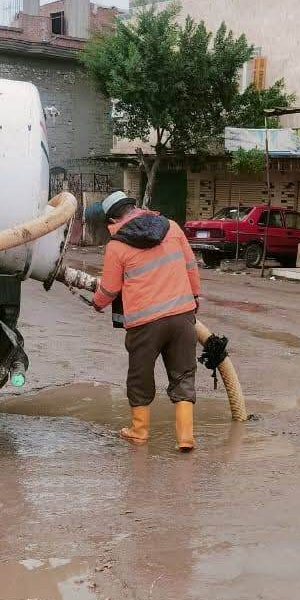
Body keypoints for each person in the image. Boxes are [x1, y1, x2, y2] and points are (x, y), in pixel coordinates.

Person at [91, 190, 201, 451]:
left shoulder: (116, 246)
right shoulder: (172, 228)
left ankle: (139, 432)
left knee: (140, 377)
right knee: (184, 374)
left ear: (112, 220)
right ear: (135, 207)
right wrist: (194, 297)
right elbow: (191, 267)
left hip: (145, 323)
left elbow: (110, 288)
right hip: (182, 315)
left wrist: (97, 303)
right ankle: (185, 438)